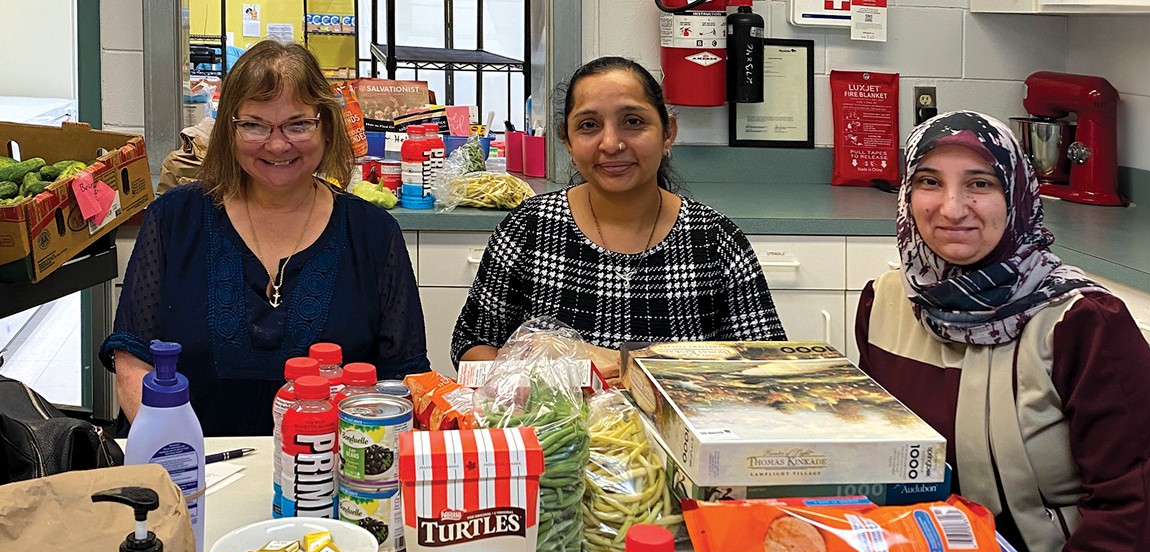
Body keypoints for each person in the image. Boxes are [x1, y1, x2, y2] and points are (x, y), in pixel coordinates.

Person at [855, 110, 1150, 552]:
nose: (952, 208)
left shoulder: (1083, 323)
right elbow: (885, 468)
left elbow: (1133, 513)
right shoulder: (886, 301)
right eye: (929, 181)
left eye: (980, 183)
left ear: (1016, 195)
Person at [102, 40, 429, 436]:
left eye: (297, 124)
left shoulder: (374, 234)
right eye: (255, 125)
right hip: (184, 473)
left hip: (330, 479)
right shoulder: (173, 219)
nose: (277, 144)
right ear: (229, 129)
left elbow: (404, 378)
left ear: (326, 125)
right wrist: (176, 454)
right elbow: (133, 359)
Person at [452, 56, 785, 374]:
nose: (611, 143)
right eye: (589, 125)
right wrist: (523, 383)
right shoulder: (530, 227)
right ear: (566, 141)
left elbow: (768, 364)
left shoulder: (714, 239)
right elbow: (472, 343)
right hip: (554, 429)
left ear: (668, 132)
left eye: (633, 122)